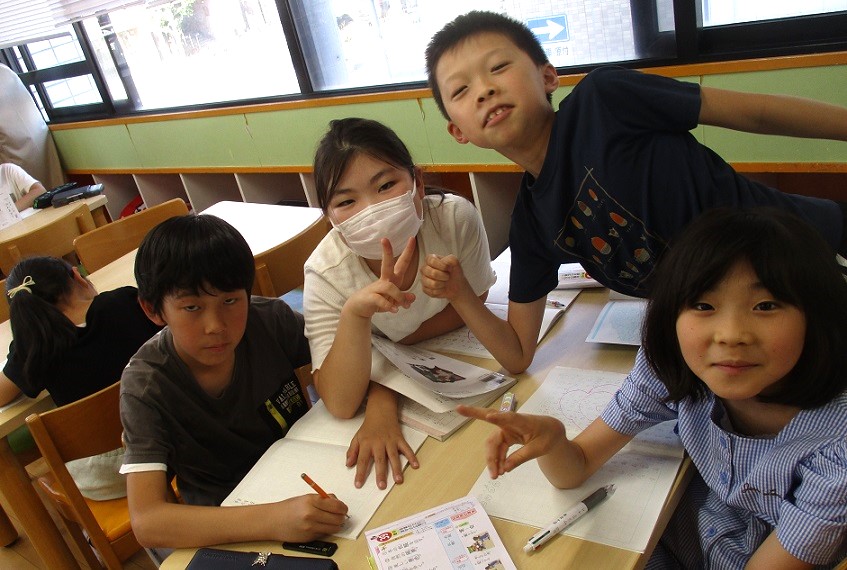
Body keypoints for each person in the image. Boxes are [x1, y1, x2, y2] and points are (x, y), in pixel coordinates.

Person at [422, 10, 847, 373]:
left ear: (548, 75)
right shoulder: (533, 225)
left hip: (819, 253)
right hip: (752, 332)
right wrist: (460, 293)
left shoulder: (603, 101)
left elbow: (758, 113)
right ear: (458, 131)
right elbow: (517, 354)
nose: (484, 89)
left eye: (498, 67)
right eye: (461, 90)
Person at [460, 208, 847, 568]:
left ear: (817, 316)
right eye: (702, 305)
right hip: (682, 536)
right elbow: (574, 468)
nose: (731, 335)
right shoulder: (673, 369)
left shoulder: (836, 450)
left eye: (765, 306)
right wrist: (554, 440)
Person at [120, 214, 348, 549]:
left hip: (310, 480)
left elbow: (354, 357)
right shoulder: (146, 386)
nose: (216, 325)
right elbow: (148, 522)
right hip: (227, 521)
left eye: (230, 301)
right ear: (154, 311)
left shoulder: (269, 321)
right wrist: (274, 519)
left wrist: (381, 409)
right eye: (192, 307)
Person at [303, 117, 497, 490]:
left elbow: (478, 297)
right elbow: (341, 403)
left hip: (456, 366)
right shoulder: (326, 273)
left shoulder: (454, 219)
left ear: (418, 183)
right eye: (346, 201)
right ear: (329, 217)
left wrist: (397, 343)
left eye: (386, 185)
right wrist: (356, 316)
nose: (371, 210)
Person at [0, 256, 162, 499]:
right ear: (77, 276)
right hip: (171, 441)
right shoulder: (125, 301)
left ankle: (89, 534)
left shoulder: (33, 346)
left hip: (105, 478)